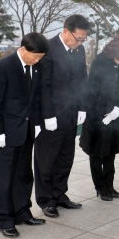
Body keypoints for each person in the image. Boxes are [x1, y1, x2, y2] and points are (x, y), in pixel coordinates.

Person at [0, 32, 49, 238]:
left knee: (23, 175)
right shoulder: (2, 68)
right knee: (4, 178)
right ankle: (4, 219)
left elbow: (37, 99)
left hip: (27, 132)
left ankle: (22, 212)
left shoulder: (36, 67)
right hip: (5, 134)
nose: (38, 60)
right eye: (36, 55)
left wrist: (38, 123)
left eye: (41, 56)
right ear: (23, 49)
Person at [35, 14, 89, 218]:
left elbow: (82, 79)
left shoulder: (80, 50)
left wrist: (82, 107)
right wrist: (48, 115)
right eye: (78, 38)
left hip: (71, 113)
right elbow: (43, 86)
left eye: (84, 39)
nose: (80, 43)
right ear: (66, 30)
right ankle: (46, 199)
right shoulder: (48, 48)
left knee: (65, 157)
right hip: (52, 116)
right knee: (46, 159)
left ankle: (60, 194)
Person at [79, 35, 119, 201]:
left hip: (114, 114)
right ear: (114, 52)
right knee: (97, 153)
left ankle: (110, 185)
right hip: (97, 115)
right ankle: (100, 187)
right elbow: (93, 91)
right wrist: (104, 112)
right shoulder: (99, 62)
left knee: (111, 152)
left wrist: (118, 109)